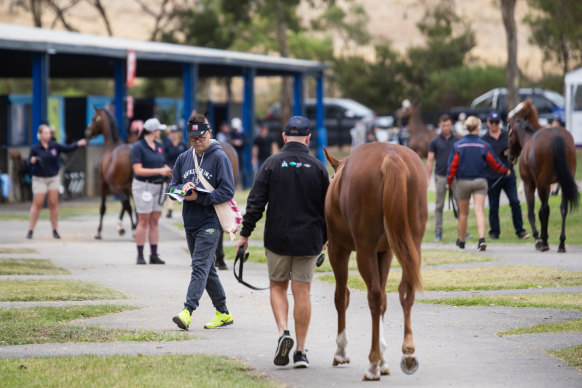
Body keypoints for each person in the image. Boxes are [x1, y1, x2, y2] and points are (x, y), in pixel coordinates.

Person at [235, 116, 329, 369]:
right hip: (309, 239)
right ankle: (300, 351)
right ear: (309, 139)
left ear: (284, 137)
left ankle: (283, 332)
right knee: (303, 292)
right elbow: (328, 209)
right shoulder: (319, 168)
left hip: (277, 238)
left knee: (277, 287)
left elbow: (255, 203)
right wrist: (326, 238)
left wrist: (245, 234)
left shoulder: (271, 164)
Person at [170, 113, 235, 330]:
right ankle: (223, 312)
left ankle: (187, 311)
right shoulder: (183, 158)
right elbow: (172, 188)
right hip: (190, 221)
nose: (197, 142)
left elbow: (227, 191)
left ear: (209, 133)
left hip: (211, 221)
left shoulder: (220, 157)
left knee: (199, 266)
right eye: (192, 139)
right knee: (208, 269)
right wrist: (181, 191)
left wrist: (201, 197)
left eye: (200, 137)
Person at [446, 116, 510, 251]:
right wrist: (505, 170)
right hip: (480, 181)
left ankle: (462, 241)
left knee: (463, 213)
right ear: (478, 127)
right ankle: (481, 239)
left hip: (463, 181)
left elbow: (453, 166)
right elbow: (494, 162)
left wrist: (449, 181)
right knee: (479, 211)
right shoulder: (483, 145)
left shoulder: (458, 145)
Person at [26, 124, 87, 239]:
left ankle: (55, 230)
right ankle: (30, 230)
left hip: (53, 178)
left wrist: (78, 144)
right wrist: (32, 161)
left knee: (53, 204)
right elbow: (28, 163)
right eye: (45, 133)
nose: (47, 135)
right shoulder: (35, 148)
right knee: (37, 204)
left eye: (49, 133)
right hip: (39, 179)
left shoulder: (54, 146)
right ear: (39, 135)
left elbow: (68, 148)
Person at [481, 111, 529, 240]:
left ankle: (520, 231)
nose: (494, 125)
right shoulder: (484, 139)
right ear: (488, 123)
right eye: (492, 122)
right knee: (493, 206)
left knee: (515, 202)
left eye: (497, 122)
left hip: (508, 175)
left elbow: (517, 150)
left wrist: (510, 154)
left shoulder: (506, 136)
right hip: (492, 177)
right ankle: (494, 232)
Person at [131, 118, 172, 265]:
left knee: (155, 220)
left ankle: (154, 254)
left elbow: (162, 162)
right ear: (152, 131)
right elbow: (138, 170)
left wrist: (167, 170)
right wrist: (159, 170)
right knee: (143, 221)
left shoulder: (159, 146)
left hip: (159, 186)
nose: (160, 132)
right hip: (144, 186)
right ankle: (140, 254)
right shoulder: (138, 147)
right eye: (158, 130)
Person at [425, 114, 461, 241]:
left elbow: (461, 158)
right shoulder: (434, 142)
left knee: (460, 203)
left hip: (455, 177)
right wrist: (428, 178)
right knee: (439, 205)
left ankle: (463, 230)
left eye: (448, 125)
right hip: (440, 176)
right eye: (443, 125)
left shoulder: (457, 141)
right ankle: (438, 232)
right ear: (439, 125)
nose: (446, 127)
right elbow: (430, 160)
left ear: (451, 125)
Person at [163, 125, 188, 218]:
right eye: (171, 133)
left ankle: (182, 205)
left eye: (175, 132)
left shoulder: (183, 144)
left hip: (181, 170)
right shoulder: (167, 145)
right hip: (170, 170)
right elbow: (163, 158)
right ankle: (170, 208)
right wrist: (167, 168)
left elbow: (186, 159)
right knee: (170, 187)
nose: (173, 134)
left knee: (183, 188)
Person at [229, 117, 247, 186]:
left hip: (241, 153)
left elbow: (245, 143)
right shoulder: (232, 133)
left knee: (243, 170)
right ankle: (236, 185)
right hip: (233, 153)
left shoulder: (243, 134)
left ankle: (244, 185)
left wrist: (240, 142)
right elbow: (230, 141)